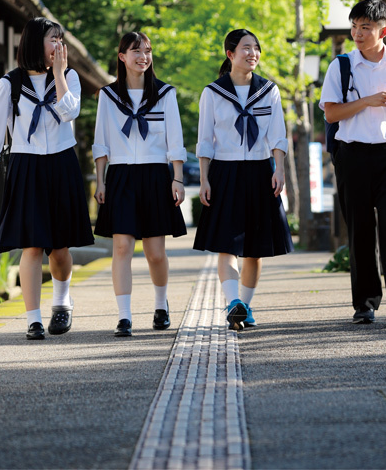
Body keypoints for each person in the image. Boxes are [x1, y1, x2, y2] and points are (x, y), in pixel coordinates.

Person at [0, 17, 94, 340]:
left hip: (62, 165)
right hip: (26, 166)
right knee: (31, 247)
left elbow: (71, 112)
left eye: (60, 39)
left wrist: (58, 75)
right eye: (52, 39)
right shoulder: (9, 84)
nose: (58, 45)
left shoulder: (69, 77)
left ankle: (61, 303)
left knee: (59, 247)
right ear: (34, 43)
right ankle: (33, 320)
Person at [319, 0, 386, 326]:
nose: (357, 33)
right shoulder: (342, 66)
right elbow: (332, 111)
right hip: (352, 156)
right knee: (360, 231)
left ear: (384, 30)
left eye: (365, 27)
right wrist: (366, 102)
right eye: (354, 26)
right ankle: (365, 304)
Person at [194, 28, 293, 330]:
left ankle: (245, 306)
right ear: (230, 54)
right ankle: (232, 302)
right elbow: (205, 140)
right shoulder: (213, 92)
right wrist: (204, 179)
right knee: (227, 244)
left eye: (256, 48)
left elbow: (277, 134)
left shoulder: (269, 90)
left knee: (255, 247)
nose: (253, 54)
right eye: (246, 48)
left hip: (261, 171)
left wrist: (280, 169)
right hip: (225, 171)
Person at [93, 31, 187, 337]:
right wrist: (101, 181)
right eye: (135, 51)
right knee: (121, 247)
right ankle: (124, 316)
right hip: (121, 176)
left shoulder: (165, 94)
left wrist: (177, 178)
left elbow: (175, 140)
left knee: (155, 252)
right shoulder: (108, 96)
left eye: (147, 50)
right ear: (122, 57)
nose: (142, 56)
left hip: (156, 176)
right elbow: (101, 142)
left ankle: (161, 305)